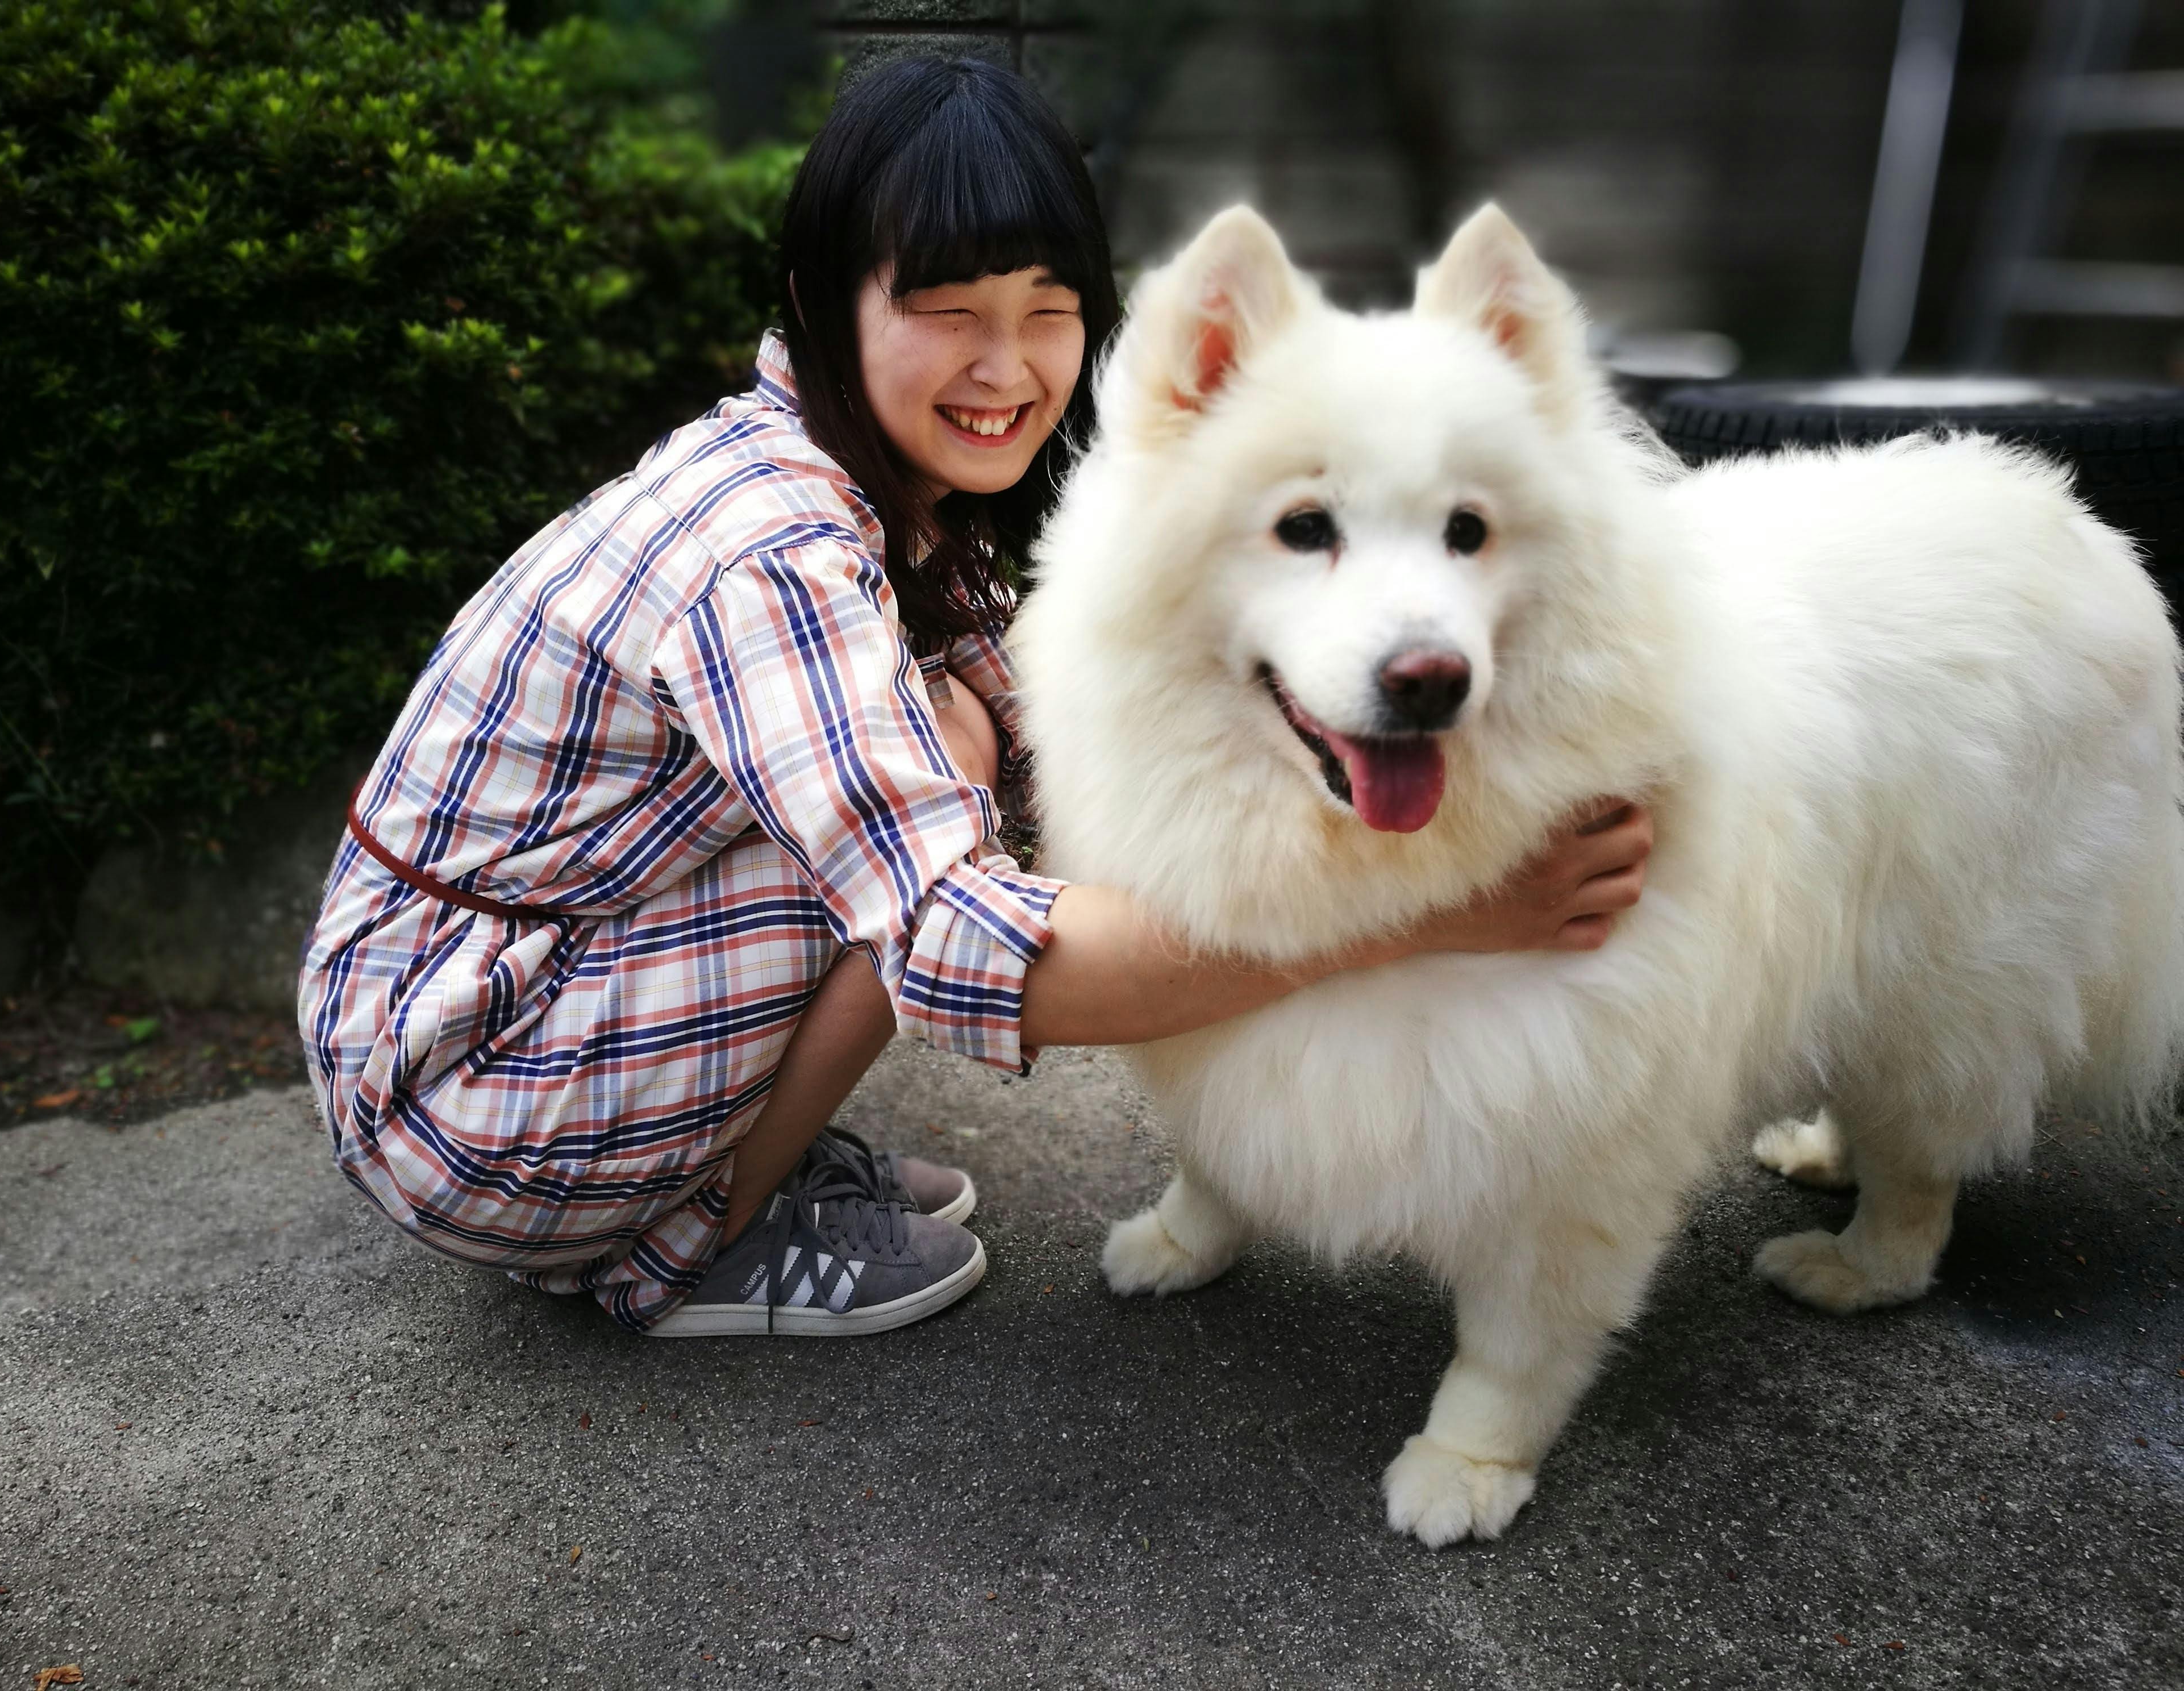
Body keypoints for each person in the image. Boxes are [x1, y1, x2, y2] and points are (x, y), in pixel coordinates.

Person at [295, 55, 1653, 1339]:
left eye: (1046, 310)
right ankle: (685, 1242)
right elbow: (957, 946)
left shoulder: (878, 490)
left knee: (961, 740)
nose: (1007, 369)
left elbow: (1045, 758)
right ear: (823, 301)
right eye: (948, 311)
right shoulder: (777, 554)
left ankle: (708, 1160)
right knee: (924, 811)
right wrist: (1424, 912)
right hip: (458, 1088)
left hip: (500, 995)